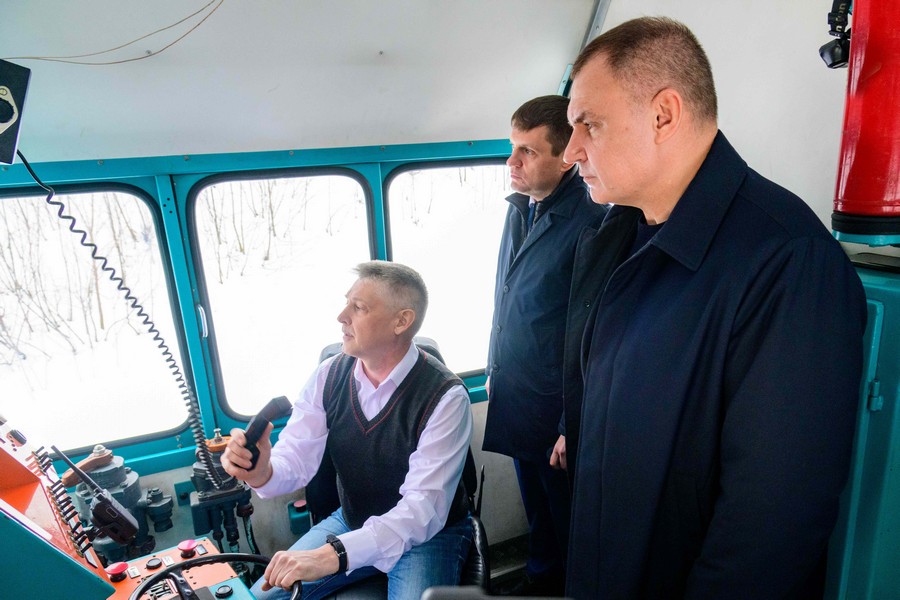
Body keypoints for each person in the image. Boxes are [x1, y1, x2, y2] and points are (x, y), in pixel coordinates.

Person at [561, 16, 867, 598]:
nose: (572, 150)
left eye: (589, 125)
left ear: (664, 115)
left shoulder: (788, 262)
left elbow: (771, 525)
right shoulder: (619, 233)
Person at [221, 261, 474, 600]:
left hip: (427, 537)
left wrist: (334, 555)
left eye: (359, 307)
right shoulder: (329, 376)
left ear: (401, 321)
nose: (342, 316)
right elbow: (295, 458)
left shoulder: (446, 397)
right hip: (354, 521)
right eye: (346, 304)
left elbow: (421, 511)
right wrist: (262, 471)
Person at [482, 94, 607, 595]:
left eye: (528, 152)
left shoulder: (590, 222)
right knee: (536, 509)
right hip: (517, 391)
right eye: (513, 148)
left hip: (557, 405)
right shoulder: (521, 209)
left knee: (568, 518)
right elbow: (504, 296)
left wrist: (569, 423)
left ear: (565, 157)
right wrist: (493, 367)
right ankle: (539, 582)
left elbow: (593, 331)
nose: (512, 162)